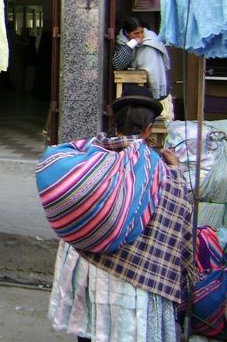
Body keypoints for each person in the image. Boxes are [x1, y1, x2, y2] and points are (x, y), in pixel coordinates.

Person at [38, 85, 195, 341]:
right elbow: (179, 216)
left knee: (89, 331)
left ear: (115, 123)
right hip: (134, 280)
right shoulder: (161, 171)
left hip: (88, 270)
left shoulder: (90, 158)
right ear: (148, 129)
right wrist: (176, 170)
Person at [113, 15, 173, 119]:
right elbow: (118, 65)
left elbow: (156, 62)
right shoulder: (121, 42)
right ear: (127, 33)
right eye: (136, 33)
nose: (140, 36)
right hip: (131, 87)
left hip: (154, 88)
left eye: (141, 32)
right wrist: (130, 46)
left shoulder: (151, 39)